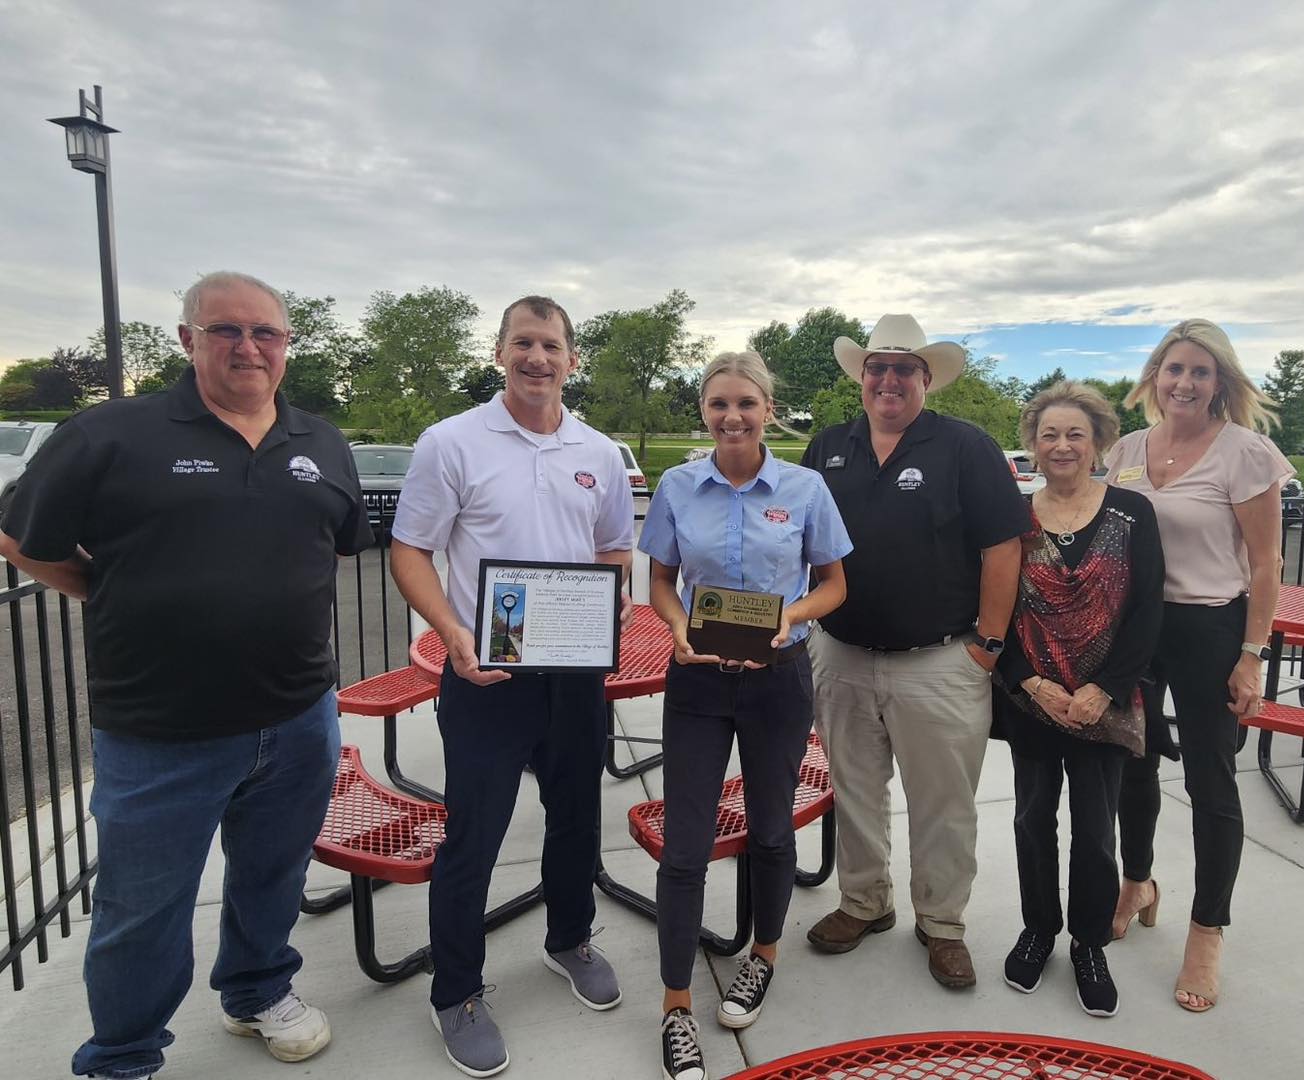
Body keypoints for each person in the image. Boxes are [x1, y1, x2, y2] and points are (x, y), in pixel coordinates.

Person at [0, 271, 370, 1079]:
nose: (249, 347)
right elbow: (21, 537)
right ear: (186, 340)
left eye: (266, 332)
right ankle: (124, 1056)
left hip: (300, 714)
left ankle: (257, 990)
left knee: (273, 873)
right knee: (142, 909)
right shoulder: (111, 434)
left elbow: (340, 543)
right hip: (160, 729)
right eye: (226, 330)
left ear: (286, 346)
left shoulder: (322, 443)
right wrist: (102, 588)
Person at [389, 296, 634, 1078]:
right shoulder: (452, 442)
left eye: (552, 345)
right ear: (499, 352)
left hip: (573, 673)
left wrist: (607, 604)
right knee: (475, 835)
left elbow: (611, 553)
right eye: (523, 343)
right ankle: (455, 992)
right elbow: (410, 552)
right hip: (485, 673)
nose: (538, 358)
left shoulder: (597, 448)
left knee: (575, 818)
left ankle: (569, 939)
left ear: (571, 359)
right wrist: (451, 632)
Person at [638, 352, 851, 1080]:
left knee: (768, 830)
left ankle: (762, 956)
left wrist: (786, 617)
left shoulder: (805, 487)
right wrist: (676, 627)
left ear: (768, 408)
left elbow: (834, 585)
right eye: (718, 403)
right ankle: (675, 1007)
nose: (732, 416)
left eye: (746, 404)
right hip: (697, 683)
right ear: (703, 409)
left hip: (777, 681)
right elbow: (663, 582)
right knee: (686, 846)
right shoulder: (677, 485)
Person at [800, 314, 1030, 988]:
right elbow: (797, 540)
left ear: (926, 380)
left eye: (904, 368)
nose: (889, 379)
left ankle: (942, 924)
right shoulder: (828, 446)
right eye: (878, 367)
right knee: (855, 792)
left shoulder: (966, 447)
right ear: (862, 378)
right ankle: (865, 902)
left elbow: (1003, 547)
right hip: (841, 655)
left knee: (944, 805)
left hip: (942, 661)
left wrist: (987, 646)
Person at [1105, 318, 1291, 1013]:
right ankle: (1137, 881)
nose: (1184, 382)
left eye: (1200, 372)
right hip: (1136, 627)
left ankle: (1208, 930)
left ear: (1221, 383)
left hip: (1210, 625)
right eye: (1173, 369)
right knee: (1132, 761)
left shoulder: (1247, 453)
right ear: (1155, 376)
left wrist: (1251, 654)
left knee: (1212, 780)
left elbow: (1266, 564)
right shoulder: (1126, 448)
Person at [992, 381, 1164, 1018]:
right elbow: (994, 611)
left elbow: (1147, 612)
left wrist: (1104, 689)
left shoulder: (1130, 512)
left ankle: (1089, 943)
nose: (1061, 445)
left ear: (1098, 444)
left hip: (1105, 701)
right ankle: (1038, 929)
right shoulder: (1013, 518)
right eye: (1048, 434)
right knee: (1032, 821)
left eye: (1075, 434)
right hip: (1032, 700)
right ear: (1032, 445)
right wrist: (1029, 683)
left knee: (1095, 832)